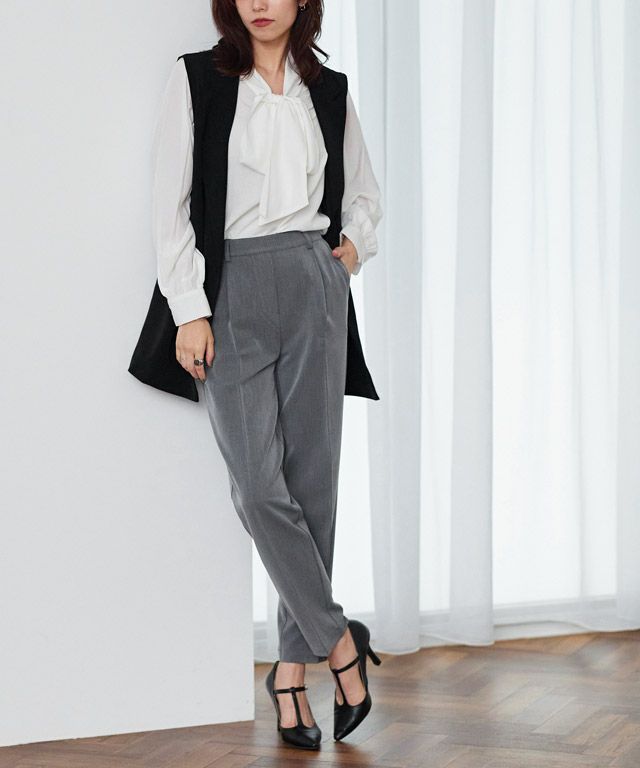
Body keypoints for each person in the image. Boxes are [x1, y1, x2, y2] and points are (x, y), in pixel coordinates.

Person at [148, 0, 383, 749]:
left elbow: (364, 194)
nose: (259, 2)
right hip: (231, 289)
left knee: (313, 487)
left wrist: (348, 253)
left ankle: (289, 674)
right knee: (257, 484)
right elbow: (169, 205)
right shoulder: (197, 80)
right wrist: (190, 308)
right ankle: (340, 643)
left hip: (314, 284)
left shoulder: (329, 89)